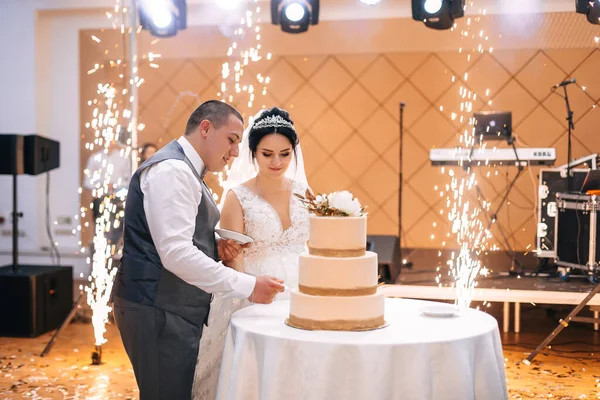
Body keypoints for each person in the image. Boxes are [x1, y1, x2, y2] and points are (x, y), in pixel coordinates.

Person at [111, 100, 285, 400]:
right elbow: (176, 254)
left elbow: (174, 239)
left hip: (169, 308)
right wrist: (249, 286)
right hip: (157, 308)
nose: (234, 152)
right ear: (205, 128)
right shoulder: (173, 172)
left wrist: (212, 246)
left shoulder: (186, 171)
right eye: (231, 140)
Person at [192, 107, 311, 400]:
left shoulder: (304, 192)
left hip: (301, 292)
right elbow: (233, 258)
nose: (277, 161)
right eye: (267, 153)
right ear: (253, 153)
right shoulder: (238, 197)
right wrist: (248, 299)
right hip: (256, 293)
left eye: (284, 153)